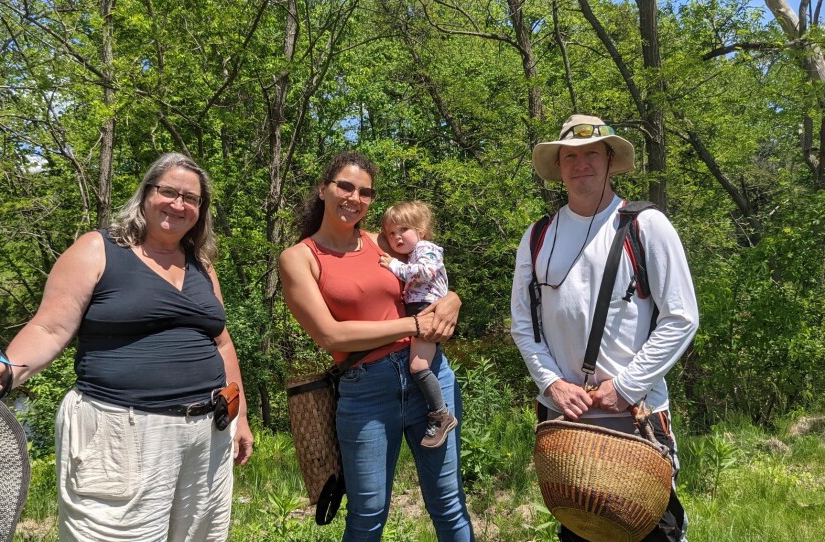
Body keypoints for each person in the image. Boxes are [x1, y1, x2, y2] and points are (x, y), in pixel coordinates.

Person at [0, 152, 254, 542]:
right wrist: (9, 368)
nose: (179, 204)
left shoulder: (202, 266)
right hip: (122, 433)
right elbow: (50, 328)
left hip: (208, 433)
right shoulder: (98, 249)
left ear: (201, 210)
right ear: (146, 193)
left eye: (191, 198)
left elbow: (221, 342)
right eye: (168, 192)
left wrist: (241, 418)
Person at [510, 114, 699, 542]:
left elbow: (681, 318)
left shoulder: (645, 225)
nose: (581, 165)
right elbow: (523, 325)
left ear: (610, 160)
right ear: (558, 167)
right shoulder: (538, 236)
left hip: (636, 418)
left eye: (591, 153)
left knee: (652, 531)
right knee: (580, 531)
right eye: (570, 157)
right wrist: (552, 383)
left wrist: (628, 386)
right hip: (566, 423)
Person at [279, 151, 475, 541]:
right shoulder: (299, 258)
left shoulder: (379, 241)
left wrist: (454, 298)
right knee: (367, 515)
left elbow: (427, 278)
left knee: (448, 503)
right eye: (345, 186)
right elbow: (330, 335)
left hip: (428, 375)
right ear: (323, 189)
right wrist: (414, 324)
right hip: (366, 389)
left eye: (365, 192)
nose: (354, 197)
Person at [379, 200, 456, 449]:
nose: (397, 237)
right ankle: (438, 412)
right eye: (391, 233)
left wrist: (395, 266)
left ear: (420, 231)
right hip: (419, 311)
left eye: (404, 229)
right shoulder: (414, 251)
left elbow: (426, 273)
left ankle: (440, 414)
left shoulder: (425, 248)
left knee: (417, 367)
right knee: (418, 366)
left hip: (426, 311)